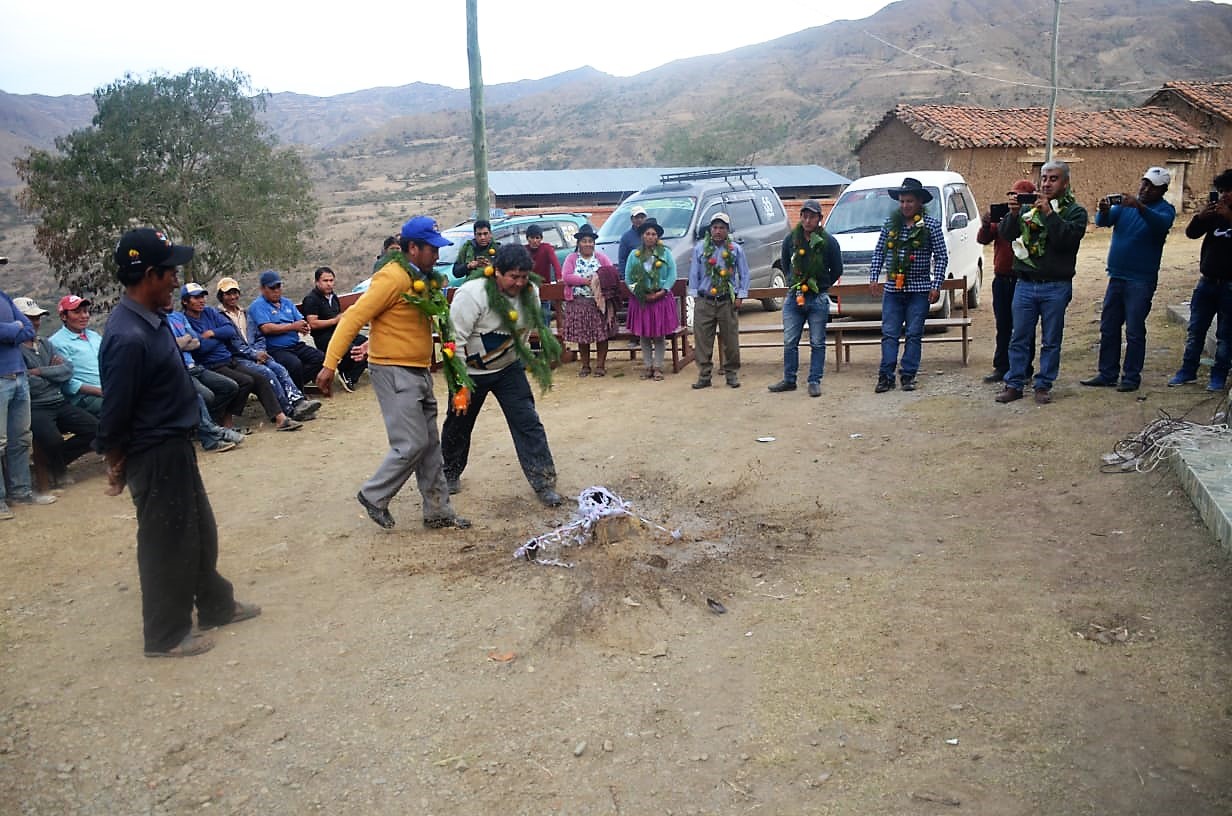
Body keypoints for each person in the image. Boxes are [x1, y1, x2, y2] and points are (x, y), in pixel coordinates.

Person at [98, 227, 260, 658]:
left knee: (198, 531)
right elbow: (115, 410)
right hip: (153, 452)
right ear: (150, 274)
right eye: (171, 272)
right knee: (165, 541)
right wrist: (115, 464)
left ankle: (215, 606)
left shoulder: (150, 322)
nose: (176, 280)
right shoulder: (126, 335)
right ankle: (165, 634)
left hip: (175, 444)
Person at [315, 216, 470, 531]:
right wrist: (330, 364)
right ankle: (374, 495)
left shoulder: (421, 279)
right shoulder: (393, 278)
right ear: (413, 248)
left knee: (429, 444)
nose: (437, 256)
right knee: (411, 443)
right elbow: (353, 317)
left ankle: (438, 511)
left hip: (418, 369)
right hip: (393, 369)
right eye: (431, 250)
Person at [442, 244, 563, 507]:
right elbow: (454, 340)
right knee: (458, 422)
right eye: (513, 277)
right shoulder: (471, 295)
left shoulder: (531, 293)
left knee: (528, 421)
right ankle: (449, 472)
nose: (519, 283)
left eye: (523, 277)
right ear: (497, 272)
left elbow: (526, 329)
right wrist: (460, 384)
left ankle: (543, 481)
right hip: (469, 372)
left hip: (508, 369)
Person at [995, 160, 1089, 404]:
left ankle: (1043, 384)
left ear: (1065, 183)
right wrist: (1014, 214)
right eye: (1044, 178)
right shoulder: (1029, 208)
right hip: (1025, 283)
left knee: (1051, 339)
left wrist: (1049, 214)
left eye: (1053, 178)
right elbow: (1006, 235)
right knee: (1019, 337)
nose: (1046, 183)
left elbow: (1066, 240)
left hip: (1056, 286)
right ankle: (1014, 383)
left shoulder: (1075, 212)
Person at [1081, 167, 1176, 392]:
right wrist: (1103, 210)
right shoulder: (1125, 207)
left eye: (1151, 186)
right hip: (1116, 276)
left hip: (1140, 280)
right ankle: (1107, 373)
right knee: (1109, 327)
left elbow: (1160, 225)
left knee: (1134, 330)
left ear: (1162, 189)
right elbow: (1102, 221)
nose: (1144, 189)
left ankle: (1131, 377)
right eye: (1144, 183)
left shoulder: (1165, 210)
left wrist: (1140, 207)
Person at [181, 283, 307, 431]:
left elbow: (229, 331)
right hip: (212, 364)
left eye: (202, 296)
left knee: (262, 377)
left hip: (229, 359)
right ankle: (226, 422)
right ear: (185, 301)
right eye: (196, 298)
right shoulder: (186, 320)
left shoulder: (210, 312)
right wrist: (219, 338)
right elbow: (200, 348)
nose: (201, 300)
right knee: (246, 381)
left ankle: (281, 418)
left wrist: (213, 334)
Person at [869, 178, 948, 393]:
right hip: (893, 289)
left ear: (920, 202)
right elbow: (879, 252)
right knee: (890, 333)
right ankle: (885, 376)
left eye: (909, 201)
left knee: (914, 333)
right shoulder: (890, 224)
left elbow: (941, 256)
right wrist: (874, 277)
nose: (905, 205)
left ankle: (908, 375)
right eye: (902, 201)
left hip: (919, 289)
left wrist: (936, 283)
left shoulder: (930, 226)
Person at [16, 296, 97, 488]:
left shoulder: (44, 343)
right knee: (52, 439)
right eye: (29, 319)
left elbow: (67, 371)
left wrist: (41, 372)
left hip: (58, 402)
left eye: (37, 319)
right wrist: (53, 375)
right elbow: (28, 383)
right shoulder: (16, 350)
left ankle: (53, 466)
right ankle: (57, 471)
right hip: (37, 406)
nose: (35, 323)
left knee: (96, 429)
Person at [769, 200, 843, 397]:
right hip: (795, 296)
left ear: (819, 218)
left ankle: (814, 380)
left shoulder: (828, 241)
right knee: (789, 340)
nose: (807, 220)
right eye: (804, 216)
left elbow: (837, 269)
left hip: (817, 297)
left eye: (812, 216)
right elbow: (785, 263)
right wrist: (794, 281)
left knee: (817, 341)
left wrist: (823, 285)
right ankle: (789, 379)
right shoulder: (790, 240)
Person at [215, 276, 318, 416]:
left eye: (235, 293)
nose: (233, 297)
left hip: (259, 353)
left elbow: (259, 335)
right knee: (268, 373)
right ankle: (288, 410)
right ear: (221, 296)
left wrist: (261, 351)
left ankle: (298, 401)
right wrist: (254, 354)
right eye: (228, 294)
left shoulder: (245, 313)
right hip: (239, 358)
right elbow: (233, 343)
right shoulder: (219, 317)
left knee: (279, 369)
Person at [1169, 168, 1232, 393]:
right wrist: (1201, 217)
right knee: (1196, 329)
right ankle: (1187, 371)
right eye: (1222, 190)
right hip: (1207, 282)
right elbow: (1191, 234)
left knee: (1226, 335)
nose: (1224, 195)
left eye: (1229, 191)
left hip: (1229, 286)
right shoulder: (1214, 214)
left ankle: (1218, 376)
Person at [0, 288, 56, 520]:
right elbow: (19, 328)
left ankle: (21, 492)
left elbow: (26, 327)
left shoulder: (3, 297)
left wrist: (13, 329)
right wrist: (15, 329)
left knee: (21, 438)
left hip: (18, 375)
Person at [978, 180, 1037, 383]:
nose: (1015, 200)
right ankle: (1002, 366)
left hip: (1024, 279)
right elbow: (983, 239)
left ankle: (1025, 368)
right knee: (1003, 325)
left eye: (1020, 196)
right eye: (1013, 195)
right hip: (1002, 279)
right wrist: (986, 223)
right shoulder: (1003, 217)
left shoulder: (1034, 218)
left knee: (1024, 327)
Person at [687, 213, 751, 390]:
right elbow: (694, 274)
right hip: (705, 300)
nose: (718, 231)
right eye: (715, 227)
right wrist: (695, 297)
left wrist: (740, 295)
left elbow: (744, 273)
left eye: (722, 228)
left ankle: (731, 374)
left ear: (727, 230)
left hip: (726, 300)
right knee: (702, 340)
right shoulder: (700, 248)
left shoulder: (735, 249)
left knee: (730, 339)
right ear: (710, 230)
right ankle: (704, 375)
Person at [247, 270, 325, 390]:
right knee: (294, 364)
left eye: (278, 286)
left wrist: (304, 326)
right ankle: (296, 394)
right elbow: (266, 328)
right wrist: (293, 326)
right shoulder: (257, 306)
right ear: (262, 289)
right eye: (272, 287)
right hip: (275, 348)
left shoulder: (287, 303)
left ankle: (291, 386)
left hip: (295, 344)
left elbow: (300, 320)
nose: (276, 290)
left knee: (320, 357)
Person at [624, 218, 679, 381]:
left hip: (660, 299)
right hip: (641, 300)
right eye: (647, 233)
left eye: (653, 234)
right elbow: (628, 277)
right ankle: (647, 366)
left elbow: (672, 275)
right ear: (642, 236)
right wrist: (640, 293)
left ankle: (658, 367)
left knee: (659, 335)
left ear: (658, 237)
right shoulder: (634, 255)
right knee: (644, 335)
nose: (650, 237)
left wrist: (662, 291)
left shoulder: (666, 254)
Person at [560, 223, 616, 378]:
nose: (588, 244)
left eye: (590, 241)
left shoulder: (601, 258)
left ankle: (600, 365)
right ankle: (585, 365)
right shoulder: (572, 258)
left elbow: (610, 272)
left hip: (598, 304)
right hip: (579, 303)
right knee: (582, 337)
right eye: (584, 241)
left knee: (601, 335)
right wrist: (586, 281)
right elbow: (566, 276)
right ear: (578, 243)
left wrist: (599, 280)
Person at [302, 266, 368, 392]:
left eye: (331, 280)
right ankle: (346, 372)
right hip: (323, 337)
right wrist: (334, 320)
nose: (329, 284)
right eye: (325, 281)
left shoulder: (333, 297)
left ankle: (349, 373)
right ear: (317, 282)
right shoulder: (311, 299)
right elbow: (313, 323)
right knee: (352, 350)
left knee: (366, 344)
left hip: (339, 331)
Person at [49, 295, 105, 416]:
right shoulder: (57, 343)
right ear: (64, 316)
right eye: (77, 312)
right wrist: (101, 391)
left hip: (107, 390)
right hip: (84, 398)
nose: (84, 316)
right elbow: (65, 382)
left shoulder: (93, 336)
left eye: (85, 311)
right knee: (121, 407)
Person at [617, 205, 648, 273]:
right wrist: (625, 279)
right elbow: (622, 260)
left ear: (646, 218)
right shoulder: (626, 237)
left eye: (642, 217)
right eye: (637, 217)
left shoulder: (652, 234)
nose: (639, 220)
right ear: (631, 219)